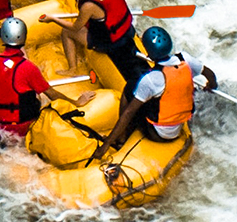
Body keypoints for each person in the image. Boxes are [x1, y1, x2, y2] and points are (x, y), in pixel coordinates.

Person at [89, 27, 217, 163]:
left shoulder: (151, 79)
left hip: (158, 133)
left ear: (149, 55)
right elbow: (209, 74)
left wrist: (106, 144)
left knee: (130, 88)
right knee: (149, 91)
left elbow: (128, 113)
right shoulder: (186, 60)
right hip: (178, 126)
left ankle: (121, 138)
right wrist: (211, 86)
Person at [0, 17, 95, 139]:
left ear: (3, 36)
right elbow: (52, 95)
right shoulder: (28, 67)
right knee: (39, 96)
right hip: (22, 127)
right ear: (24, 37)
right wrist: (76, 102)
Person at [38, 0, 150, 88]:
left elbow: (75, 27)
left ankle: (72, 69)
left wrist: (53, 19)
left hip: (109, 43)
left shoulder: (88, 6)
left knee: (67, 32)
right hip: (127, 31)